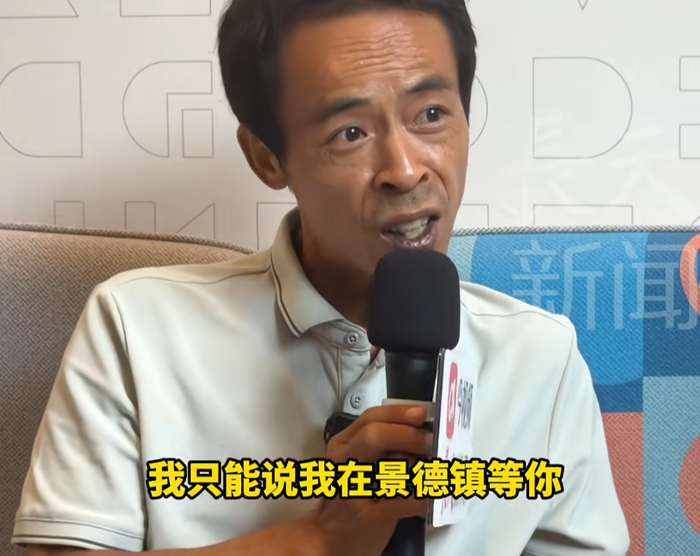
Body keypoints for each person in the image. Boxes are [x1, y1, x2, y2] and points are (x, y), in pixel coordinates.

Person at [12, 0, 630, 555]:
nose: (405, 169)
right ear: (266, 157)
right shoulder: (137, 327)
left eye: (431, 114)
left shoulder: (541, 358)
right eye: (350, 132)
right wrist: (321, 541)